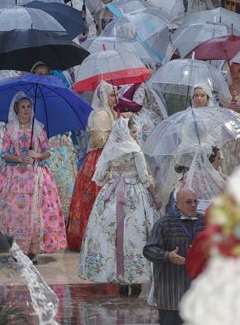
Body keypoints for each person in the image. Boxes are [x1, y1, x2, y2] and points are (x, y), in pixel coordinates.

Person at [79, 118, 157, 293]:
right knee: (134, 234)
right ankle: (134, 279)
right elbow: (144, 178)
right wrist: (155, 196)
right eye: (134, 132)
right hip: (134, 196)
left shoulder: (111, 150)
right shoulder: (135, 150)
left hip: (112, 194)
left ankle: (118, 278)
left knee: (111, 235)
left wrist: (113, 178)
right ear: (126, 132)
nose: (136, 135)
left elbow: (98, 177)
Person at [0, 95, 67, 258]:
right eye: (23, 107)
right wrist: (20, 158)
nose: (26, 110)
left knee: (37, 211)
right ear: (16, 109)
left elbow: (48, 152)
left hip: (37, 175)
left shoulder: (39, 128)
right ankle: (15, 246)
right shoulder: (10, 129)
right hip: (14, 176)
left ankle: (33, 249)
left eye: (29, 107)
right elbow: (3, 154)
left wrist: (37, 154)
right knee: (14, 211)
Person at [67, 80, 118, 250]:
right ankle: (91, 236)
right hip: (99, 158)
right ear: (104, 96)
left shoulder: (111, 112)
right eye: (112, 95)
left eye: (115, 95)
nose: (115, 98)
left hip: (110, 157)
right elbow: (99, 139)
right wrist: (115, 136)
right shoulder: (101, 114)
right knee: (94, 197)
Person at [143, 187, 205, 325]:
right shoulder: (164, 223)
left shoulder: (204, 221)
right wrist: (167, 256)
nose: (194, 205)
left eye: (196, 201)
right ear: (178, 204)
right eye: (189, 202)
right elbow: (149, 250)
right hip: (171, 294)